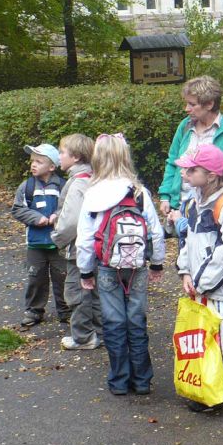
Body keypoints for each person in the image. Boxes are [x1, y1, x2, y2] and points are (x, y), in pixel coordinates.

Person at [76, 134, 165, 396]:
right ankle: (142, 380)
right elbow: (156, 232)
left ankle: (119, 381)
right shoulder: (138, 192)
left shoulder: (93, 195)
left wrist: (85, 271)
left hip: (107, 266)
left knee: (113, 322)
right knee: (136, 320)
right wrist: (157, 264)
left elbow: (85, 239)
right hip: (136, 266)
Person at [176, 144, 223, 411]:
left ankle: (222, 395)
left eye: (192, 170)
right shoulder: (195, 202)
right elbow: (189, 240)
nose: (185, 174)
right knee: (202, 339)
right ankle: (205, 387)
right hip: (199, 286)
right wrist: (185, 271)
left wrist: (203, 283)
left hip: (219, 289)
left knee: (222, 340)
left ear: (211, 175)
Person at [158, 76, 223, 224]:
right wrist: (166, 196)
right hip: (181, 208)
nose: (186, 109)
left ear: (209, 104)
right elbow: (172, 162)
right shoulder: (185, 126)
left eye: (192, 104)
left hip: (214, 213)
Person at [51, 134, 102, 350]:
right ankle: (100, 333)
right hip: (95, 247)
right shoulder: (93, 178)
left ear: (76, 157)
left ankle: (83, 337)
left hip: (79, 249)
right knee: (95, 292)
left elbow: (72, 221)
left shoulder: (79, 183)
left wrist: (57, 237)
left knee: (76, 292)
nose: (59, 156)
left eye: (62, 152)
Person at [11, 143, 69, 327]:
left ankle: (66, 311)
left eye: (39, 162)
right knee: (35, 278)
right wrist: (37, 218)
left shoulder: (63, 186)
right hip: (35, 243)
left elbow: (70, 208)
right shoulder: (26, 187)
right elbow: (17, 209)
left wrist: (57, 216)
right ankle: (34, 311)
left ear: (52, 166)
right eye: (32, 161)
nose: (33, 165)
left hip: (59, 243)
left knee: (63, 277)